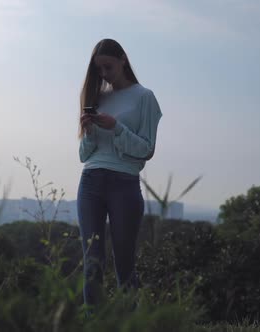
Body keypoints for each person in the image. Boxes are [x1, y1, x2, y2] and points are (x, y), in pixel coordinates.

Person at [77, 38, 162, 309]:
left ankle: (129, 324)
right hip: (90, 181)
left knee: (124, 264)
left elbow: (147, 150)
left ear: (123, 59)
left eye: (108, 67)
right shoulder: (98, 98)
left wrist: (116, 128)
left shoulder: (144, 97)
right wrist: (89, 131)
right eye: (99, 69)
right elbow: (83, 155)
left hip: (123, 183)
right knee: (92, 263)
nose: (104, 74)